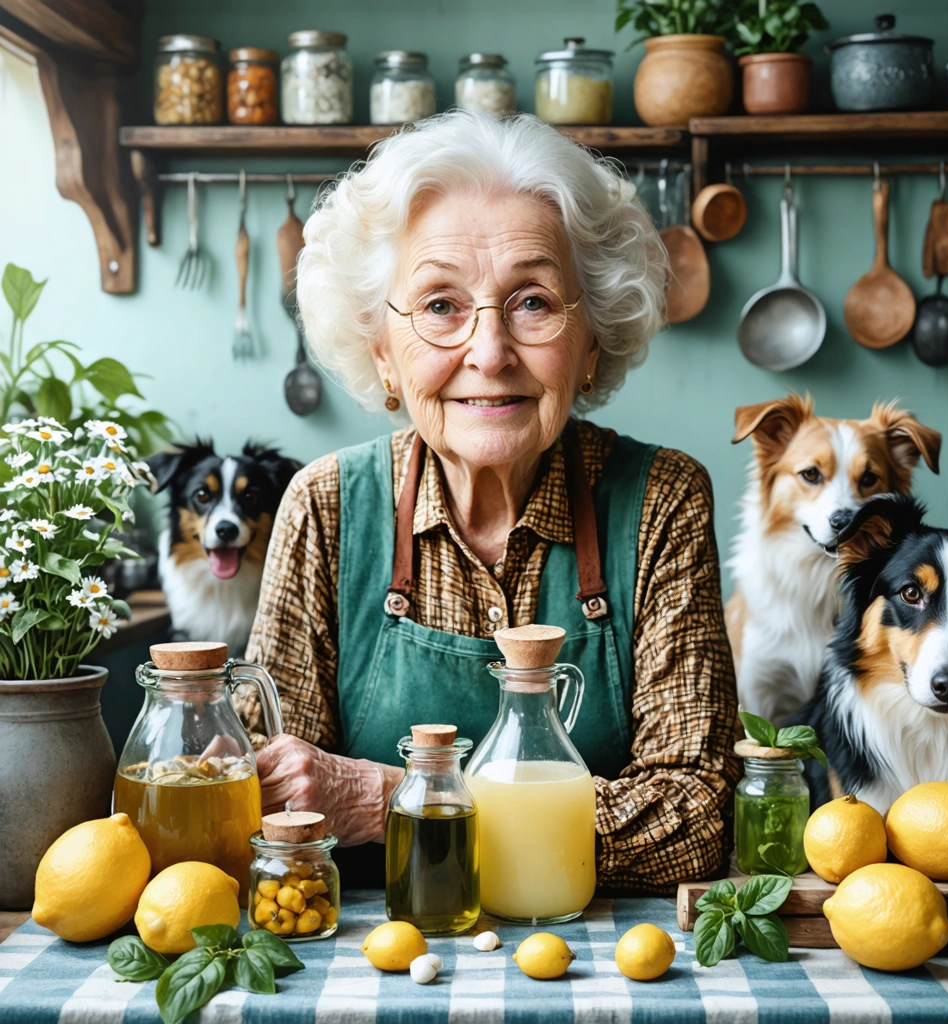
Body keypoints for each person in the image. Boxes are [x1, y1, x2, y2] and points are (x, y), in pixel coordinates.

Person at [243, 109, 741, 892]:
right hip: (373, 946)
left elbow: (695, 816)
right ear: (382, 351)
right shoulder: (326, 509)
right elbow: (276, 795)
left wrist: (408, 800)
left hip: (592, 948)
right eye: (440, 305)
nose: (489, 351)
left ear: (591, 342)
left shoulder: (661, 502)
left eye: (533, 301)